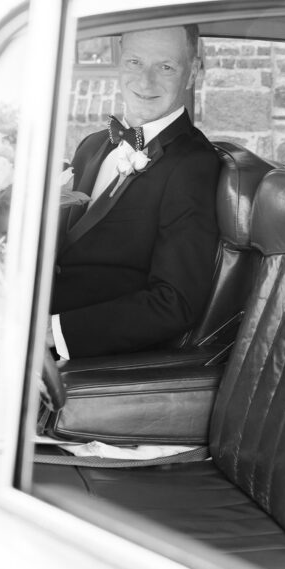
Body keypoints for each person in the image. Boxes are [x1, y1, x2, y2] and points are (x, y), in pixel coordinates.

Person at [49, 25, 220, 359]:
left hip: (90, 362)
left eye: (166, 67)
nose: (146, 82)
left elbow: (175, 302)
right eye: (135, 62)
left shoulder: (193, 165)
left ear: (193, 72)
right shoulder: (92, 145)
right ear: (119, 59)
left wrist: (53, 333)